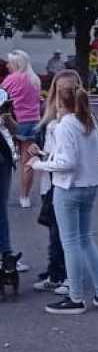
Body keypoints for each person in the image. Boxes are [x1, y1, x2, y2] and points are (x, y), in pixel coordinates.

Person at [28, 84, 98, 314]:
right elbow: (80, 156)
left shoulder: (64, 125)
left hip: (68, 187)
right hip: (90, 184)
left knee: (71, 243)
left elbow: (67, 163)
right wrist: (46, 156)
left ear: (59, 103)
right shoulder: (90, 121)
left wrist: (38, 164)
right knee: (85, 239)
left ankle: (76, 297)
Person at [31, 70, 82, 294]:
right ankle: (57, 270)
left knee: (62, 232)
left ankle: (62, 274)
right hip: (54, 179)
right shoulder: (54, 119)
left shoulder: (65, 123)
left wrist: (38, 162)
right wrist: (40, 153)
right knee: (59, 230)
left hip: (61, 181)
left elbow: (64, 159)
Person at [3, 50, 42, 210]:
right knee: (28, 161)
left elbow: (2, 98)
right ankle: (25, 197)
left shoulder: (11, 79)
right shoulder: (35, 79)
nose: (7, 65)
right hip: (32, 121)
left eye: (9, 62)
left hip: (13, 120)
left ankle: (3, 193)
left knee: (5, 157)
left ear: (16, 63)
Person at [0, 89, 23, 278]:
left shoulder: (2, 94)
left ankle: (6, 255)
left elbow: (16, 130)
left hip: (3, 156)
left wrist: (6, 117)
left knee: (1, 208)